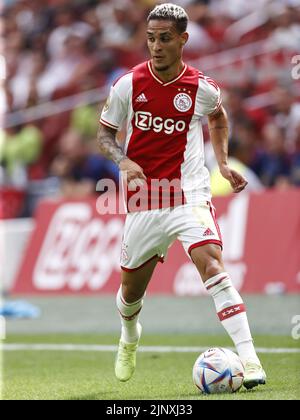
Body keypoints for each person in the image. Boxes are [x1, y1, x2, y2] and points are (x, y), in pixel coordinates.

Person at [98, 3, 266, 389]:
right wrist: (122, 160)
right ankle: (129, 336)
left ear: (183, 40)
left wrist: (221, 163)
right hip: (145, 200)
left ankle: (251, 360)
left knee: (213, 266)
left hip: (188, 194)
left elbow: (219, 117)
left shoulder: (201, 88)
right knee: (129, 295)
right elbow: (105, 133)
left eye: (164, 39)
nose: (155, 46)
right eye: (151, 38)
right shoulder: (128, 84)